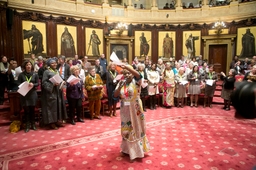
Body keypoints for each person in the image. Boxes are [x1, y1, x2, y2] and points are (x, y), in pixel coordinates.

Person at [113, 64, 150, 162]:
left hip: (135, 109)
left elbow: (139, 75)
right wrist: (118, 87)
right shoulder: (122, 82)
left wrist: (126, 66)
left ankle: (136, 152)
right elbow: (115, 95)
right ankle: (126, 150)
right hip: (125, 109)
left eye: (130, 73)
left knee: (136, 127)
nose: (128, 75)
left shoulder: (137, 81)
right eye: (126, 74)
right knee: (126, 128)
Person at [41, 58, 68, 130]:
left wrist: (63, 82)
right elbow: (44, 83)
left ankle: (57, 121)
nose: (54, 64)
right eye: (52, 63)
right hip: (51, 93)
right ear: (49, 64)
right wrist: (52, 85)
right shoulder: (46, 72)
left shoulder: (57, 71)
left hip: (58, 92)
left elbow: (60, 79)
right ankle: (51, 123)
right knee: (52, 108)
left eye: (55, 63)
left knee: (57, 107)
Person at [17, 60, 39, 133]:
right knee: (26, 111)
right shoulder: (21, 75)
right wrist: (24, 85)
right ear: (24, 66)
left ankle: (33, 124)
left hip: (32, 94)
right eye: (27, 65)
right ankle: (27, 125)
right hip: (25, 94)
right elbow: (18, 84)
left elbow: (37, 83)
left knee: (32, 110)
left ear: (31, 66)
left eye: (30, 65)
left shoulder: (35, 74)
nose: (29, 66)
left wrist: (33, 84)